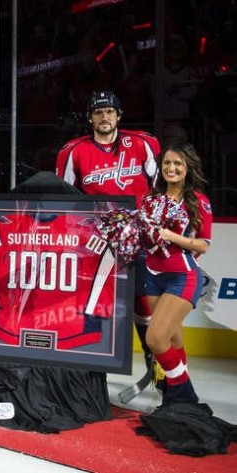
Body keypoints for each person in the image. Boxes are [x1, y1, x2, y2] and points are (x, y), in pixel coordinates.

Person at [55, 90, 161, 379]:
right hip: (95, 242)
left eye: (110, 111)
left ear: (119, 115)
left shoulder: (142, 144)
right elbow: (65, 198)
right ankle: (91, 369)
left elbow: (162, 189)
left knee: (144, 301)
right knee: (94, 301)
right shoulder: (73, 151)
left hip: (139, 239)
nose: (105, 116)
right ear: (90, 118)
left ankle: (157, 361)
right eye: (98, 112)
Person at [141, 143, 212, 405]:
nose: (171, 168)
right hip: (151, 275)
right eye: (167, 163)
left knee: (155, 339)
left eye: (178, 164)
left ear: (187, 168)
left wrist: (172, 237)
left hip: (182, 277)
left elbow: (204, 244)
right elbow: (142, 235)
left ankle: (184, 395)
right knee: (172, 337)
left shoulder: (199, 201)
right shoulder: (149, 199)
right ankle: (176, 394)